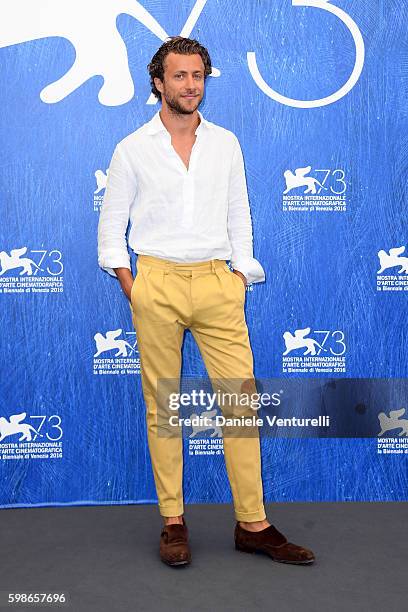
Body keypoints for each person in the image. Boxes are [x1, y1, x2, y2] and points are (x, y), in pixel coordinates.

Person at [97, 36, 315, 567]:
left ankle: (253, 524)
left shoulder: (226, 143)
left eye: (197, 75)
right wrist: (135, 285)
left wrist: (241, 274)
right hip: (158, 284)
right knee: (164, 409)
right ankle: (173, 522)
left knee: (241, 406)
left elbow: (240, 211)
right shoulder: (131, 149)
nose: (190, 85)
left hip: (219, 284)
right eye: (179, 76)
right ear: (158, 82)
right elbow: (111, 229)